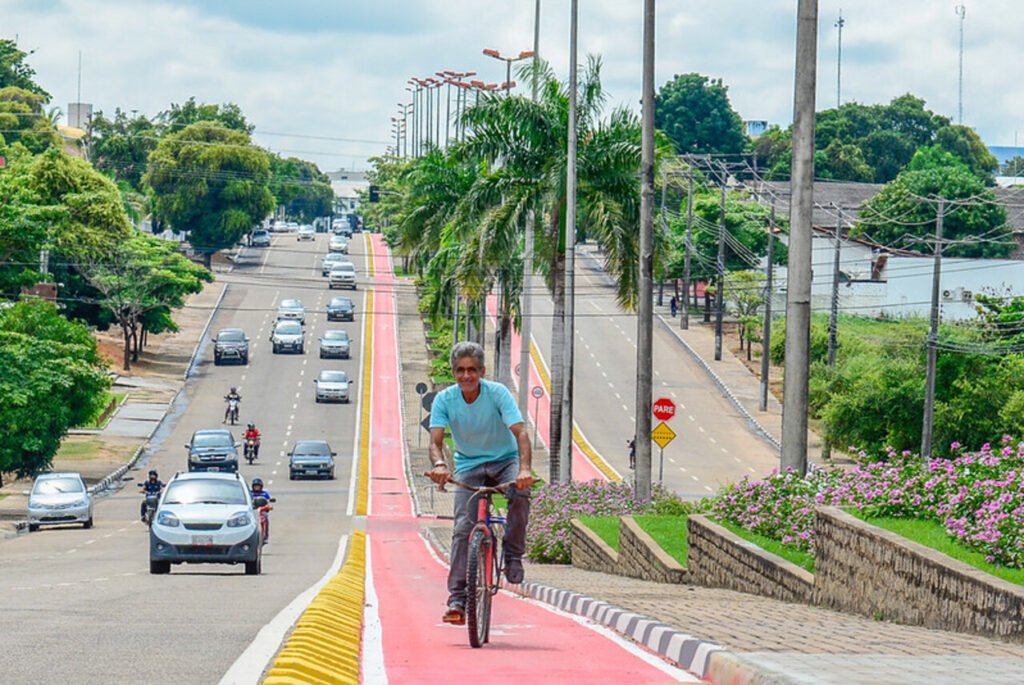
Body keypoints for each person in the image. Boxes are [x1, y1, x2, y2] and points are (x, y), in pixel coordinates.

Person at [428, 341, 535, 626]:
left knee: (521, 493)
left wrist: (524, 470)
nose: (466, 376)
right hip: (468, 465)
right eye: (461, 370)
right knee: (463, 527)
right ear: (454, 372)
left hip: (505, 461)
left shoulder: (497, 393)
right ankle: (457, 598)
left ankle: (513, 556)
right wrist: (440, 465)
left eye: (472, 370)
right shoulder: (444, 400)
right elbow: (435, 442)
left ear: (482, 371)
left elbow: (521, 433)